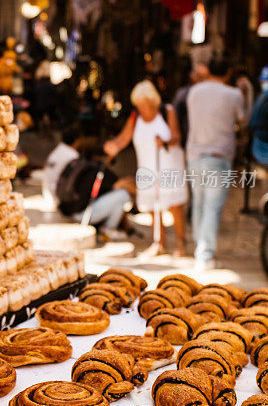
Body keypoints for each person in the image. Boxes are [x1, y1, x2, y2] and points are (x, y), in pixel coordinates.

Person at [104, 80, 188, 256]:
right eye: (138, 105)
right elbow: (124, 138)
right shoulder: (135, 117)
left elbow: (177, 137)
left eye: (143, 105)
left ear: (152, 102)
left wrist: (164, 141)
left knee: (173, 206)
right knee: (152, 205)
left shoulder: (167, 111)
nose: (141, 108)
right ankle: (159, 242)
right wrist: (113, 146)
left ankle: (181, 243)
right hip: (147, 167)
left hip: (169, 167)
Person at [186, 57, 246, 270]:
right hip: (218, 157)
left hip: (194, 155)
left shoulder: (194, 91)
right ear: (228, 72)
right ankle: (204, 254)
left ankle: (198, 248)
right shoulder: (234, 94)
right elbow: (243, 120)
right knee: (212, 207)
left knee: (200, 203)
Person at [45, 128, 135, 240]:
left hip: (61, 204)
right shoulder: (88, 166)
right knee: (122, 194)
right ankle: (108, 230)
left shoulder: (70, 159)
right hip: (79, 213)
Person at [172, 63, 210, 148]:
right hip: (188, 140)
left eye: (205, 77)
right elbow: (175, 116)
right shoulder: (183, 94)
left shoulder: (211, 94)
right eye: (199, 76)